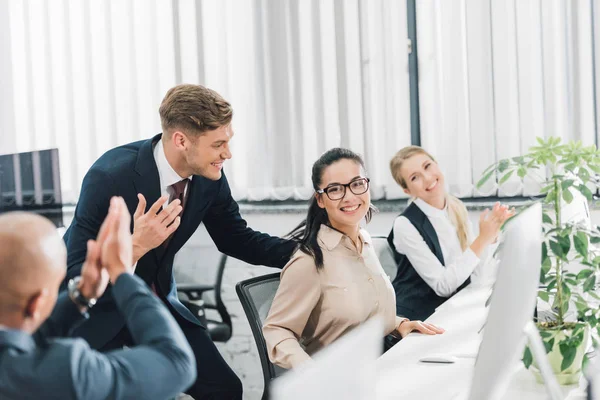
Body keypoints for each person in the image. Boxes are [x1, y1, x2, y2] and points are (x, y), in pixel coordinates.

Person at [62, 84, 296, 399]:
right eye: (218, 144)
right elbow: (75, 270)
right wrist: (136, 246)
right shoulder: (109, 177)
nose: (227, 153)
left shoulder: (208, 175)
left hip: (155, 303)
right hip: (99, 312)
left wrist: (310, 253)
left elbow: (236, 239)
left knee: (223, 389)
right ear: (181, 140)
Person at [262, 148, 444, 370]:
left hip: (382, 365)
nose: (350, 196)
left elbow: (361, 313)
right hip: (340, 381)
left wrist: (400, 325)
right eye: (335, 189)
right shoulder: (309, 261)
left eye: (357, 184)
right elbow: (277, 330)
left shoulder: (365, 242)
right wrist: (312, 373)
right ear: (320, 199)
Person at [0, 197, 196, 400]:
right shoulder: (63, 372)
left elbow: (20, 339)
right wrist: (121, 273)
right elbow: (176, 361)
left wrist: (82, 295)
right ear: (37, 304)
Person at [388, 146, 514, 321]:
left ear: (437, 165)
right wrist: (482, 239)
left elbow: (477, 276)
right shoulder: (405, 225)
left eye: (427, 166)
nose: (427, 178)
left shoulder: (456, 207)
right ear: (407, 190)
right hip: (418, 318)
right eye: (415, 177)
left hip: (452, 308)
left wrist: (491, 236)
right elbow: (443, 286)